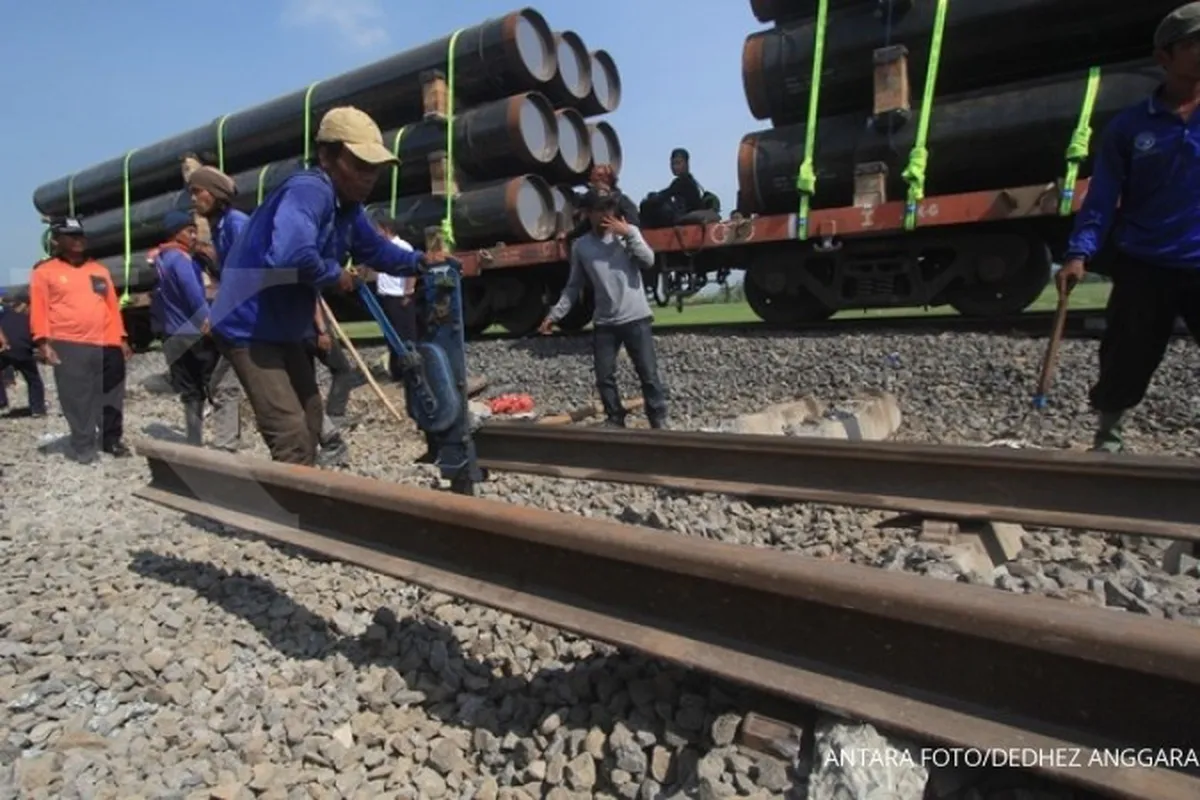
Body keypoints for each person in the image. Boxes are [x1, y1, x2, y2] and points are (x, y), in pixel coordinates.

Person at [207, 106, 439, 466]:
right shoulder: (309, 190)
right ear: (326, 156)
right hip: (247, 326)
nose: (368, 177)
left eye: (374, 169)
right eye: (359, 165)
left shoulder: (348, 207)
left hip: (284, 326)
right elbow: (290, 254)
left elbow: (374, 249)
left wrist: (419, 261)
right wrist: (336, 275)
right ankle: (296, 516)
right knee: (291, 437)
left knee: (314, 421)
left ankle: (310, 499)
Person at [1059, 3, 1200, 454]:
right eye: (1192, 45)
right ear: (1165, 57)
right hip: (1146, 263)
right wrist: (1079, 253)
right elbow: (1102, 198)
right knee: (1125, 355)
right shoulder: (1130, 128)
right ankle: (1109, 437)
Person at [539, 191, 669, 429]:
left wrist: (629, 234)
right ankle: (615, 417)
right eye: (601, 209)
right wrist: (554, 315)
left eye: (610, 208)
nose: (607, 214)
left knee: (648, 373)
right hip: (605, 322)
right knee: (604, 376)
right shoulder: (582, 247)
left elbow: (648, 260)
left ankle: (657, 418)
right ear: (588, 214)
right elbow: (573, 286)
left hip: (636, 317)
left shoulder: (627, 235)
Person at [30, 218, 132, 462]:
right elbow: (40, 309)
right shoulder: (45, 272)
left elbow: (111, 307)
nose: (78, 240)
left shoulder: (99, 270)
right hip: (69, 343)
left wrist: (122, 338)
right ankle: (83, 444)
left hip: (107, 342)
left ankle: (111, 440)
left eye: (80, 235)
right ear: (56, 240)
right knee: (77, 397)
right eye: (71, 236)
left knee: (112, 394)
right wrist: (43, 343)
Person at [186, 164, 249, 452]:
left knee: (232, 386)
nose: (193, 199)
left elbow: (245, 277)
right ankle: (226, 446)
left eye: (197, 192)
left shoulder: (236, 225)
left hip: (251, 322)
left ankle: (226, 448)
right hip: (244, 319)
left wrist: (218, 314)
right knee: (227, 385)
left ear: (214, 194)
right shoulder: (223, 227)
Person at [152, 210, 213, 446]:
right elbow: (193, 294)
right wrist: (206, 319)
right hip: (193, 333)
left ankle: (193, 440)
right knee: (214, 384)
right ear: (176, 234)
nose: (194, 236)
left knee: (189, 390)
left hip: (172, 333)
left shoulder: (161, 260)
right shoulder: (181, 260)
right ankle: (228, 437)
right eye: (190, 231)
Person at [371, 212, 419, 379]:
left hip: (399, 296)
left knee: (404, 336)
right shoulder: (381, 248)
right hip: (385, 296)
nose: (375, 233)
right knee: (391, 336)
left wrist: (407, 293)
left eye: (377, 229)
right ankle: (397, 372)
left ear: (386, 229)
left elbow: (411, 272)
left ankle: (410, 371)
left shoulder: (402, 246)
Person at [639, 148, 718, 228]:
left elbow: (664, 195)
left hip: (687, 215)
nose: (675, 167)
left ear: (687, 164)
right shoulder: (687, 180)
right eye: (672, 164)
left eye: (678, 163)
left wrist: (651, 198)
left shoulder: (683, 181)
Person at [0, 290, 47, 417]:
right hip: (23, 350)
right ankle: (38, 409)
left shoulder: (5, 313)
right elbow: (36, 337)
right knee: (34, 380)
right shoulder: (30, 318)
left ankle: (1, 401)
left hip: (4, 349)